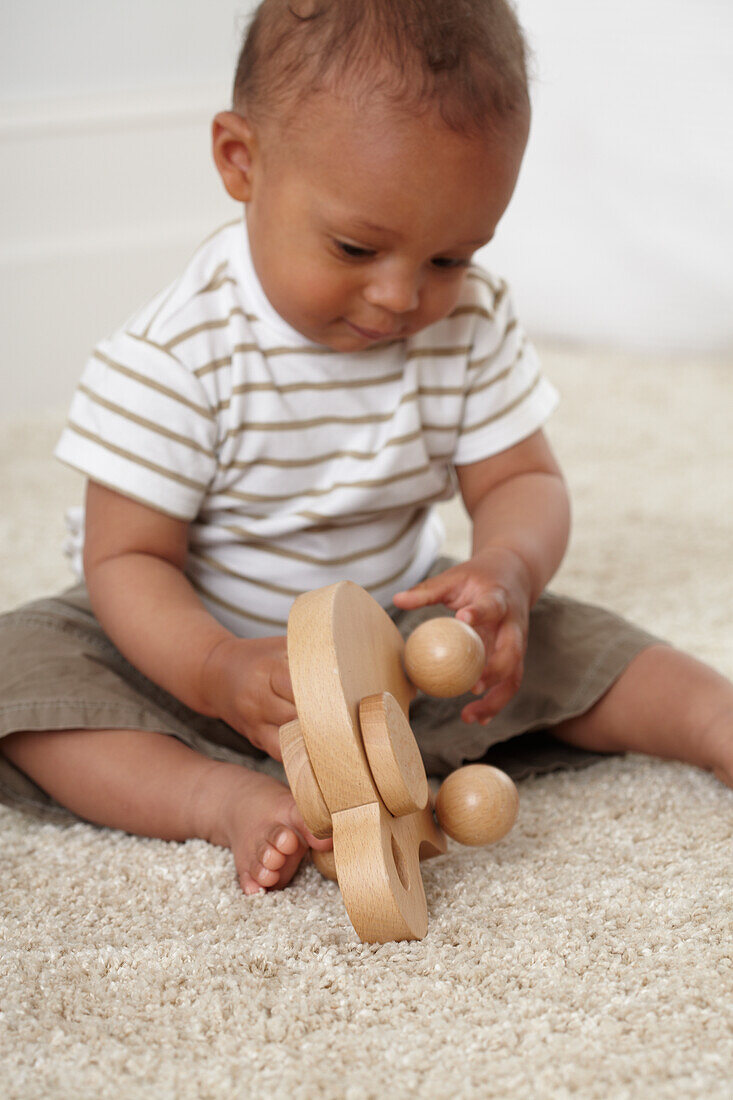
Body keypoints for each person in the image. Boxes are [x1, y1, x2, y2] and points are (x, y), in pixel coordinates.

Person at [1, 0, 730, 897]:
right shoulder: (175, 357)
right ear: (242, 161)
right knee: (26, 673)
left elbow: (523, 478)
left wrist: (505, 567)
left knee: (572, 638)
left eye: (449, 257)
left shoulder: (466, 325)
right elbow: (127, 559)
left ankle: (716, 722)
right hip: (205, 653)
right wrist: (214, 668)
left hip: (397, 649)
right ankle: (217, 798)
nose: (399, 298)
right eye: (356, 246)